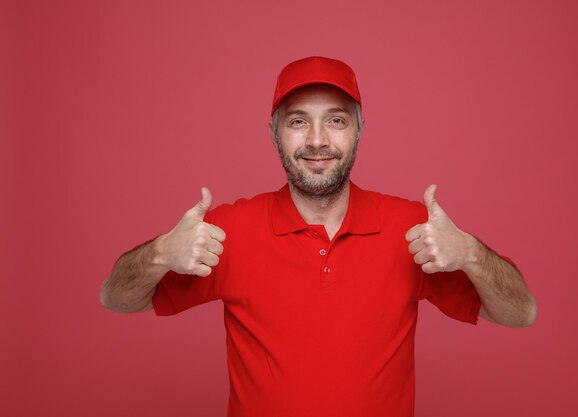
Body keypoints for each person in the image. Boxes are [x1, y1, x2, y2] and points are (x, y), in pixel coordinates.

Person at [100, 56, 537, 417]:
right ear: (274, 133)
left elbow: (521, 314)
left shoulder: (413, 228)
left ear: (359, 131)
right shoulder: (226, 230)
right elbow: (115, 298)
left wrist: (472, 254)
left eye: (335, 120)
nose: (316, 140)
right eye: (297, 121)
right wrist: (160, 253)